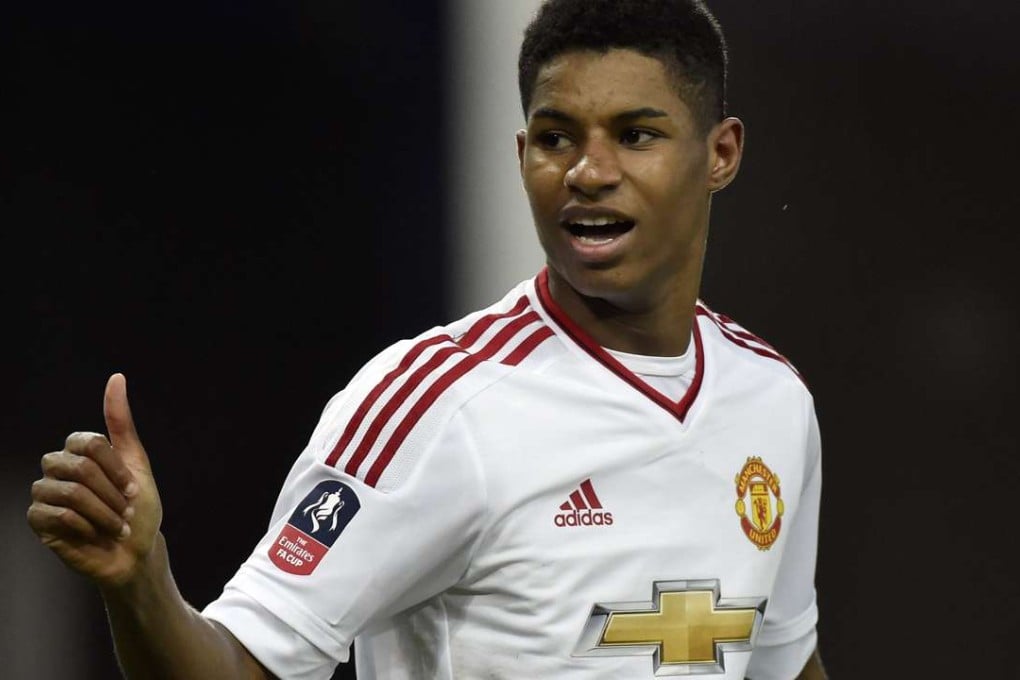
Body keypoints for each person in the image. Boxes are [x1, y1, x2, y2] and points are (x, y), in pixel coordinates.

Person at [26, 0, 828, 678]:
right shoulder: (439, 404)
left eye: (635, 135)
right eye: (555, 138)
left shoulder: (772, 401)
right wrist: (141, 584)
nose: (587, 171)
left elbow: (785, 663)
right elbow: (245, 663)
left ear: (720, 153)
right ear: (522, 157)